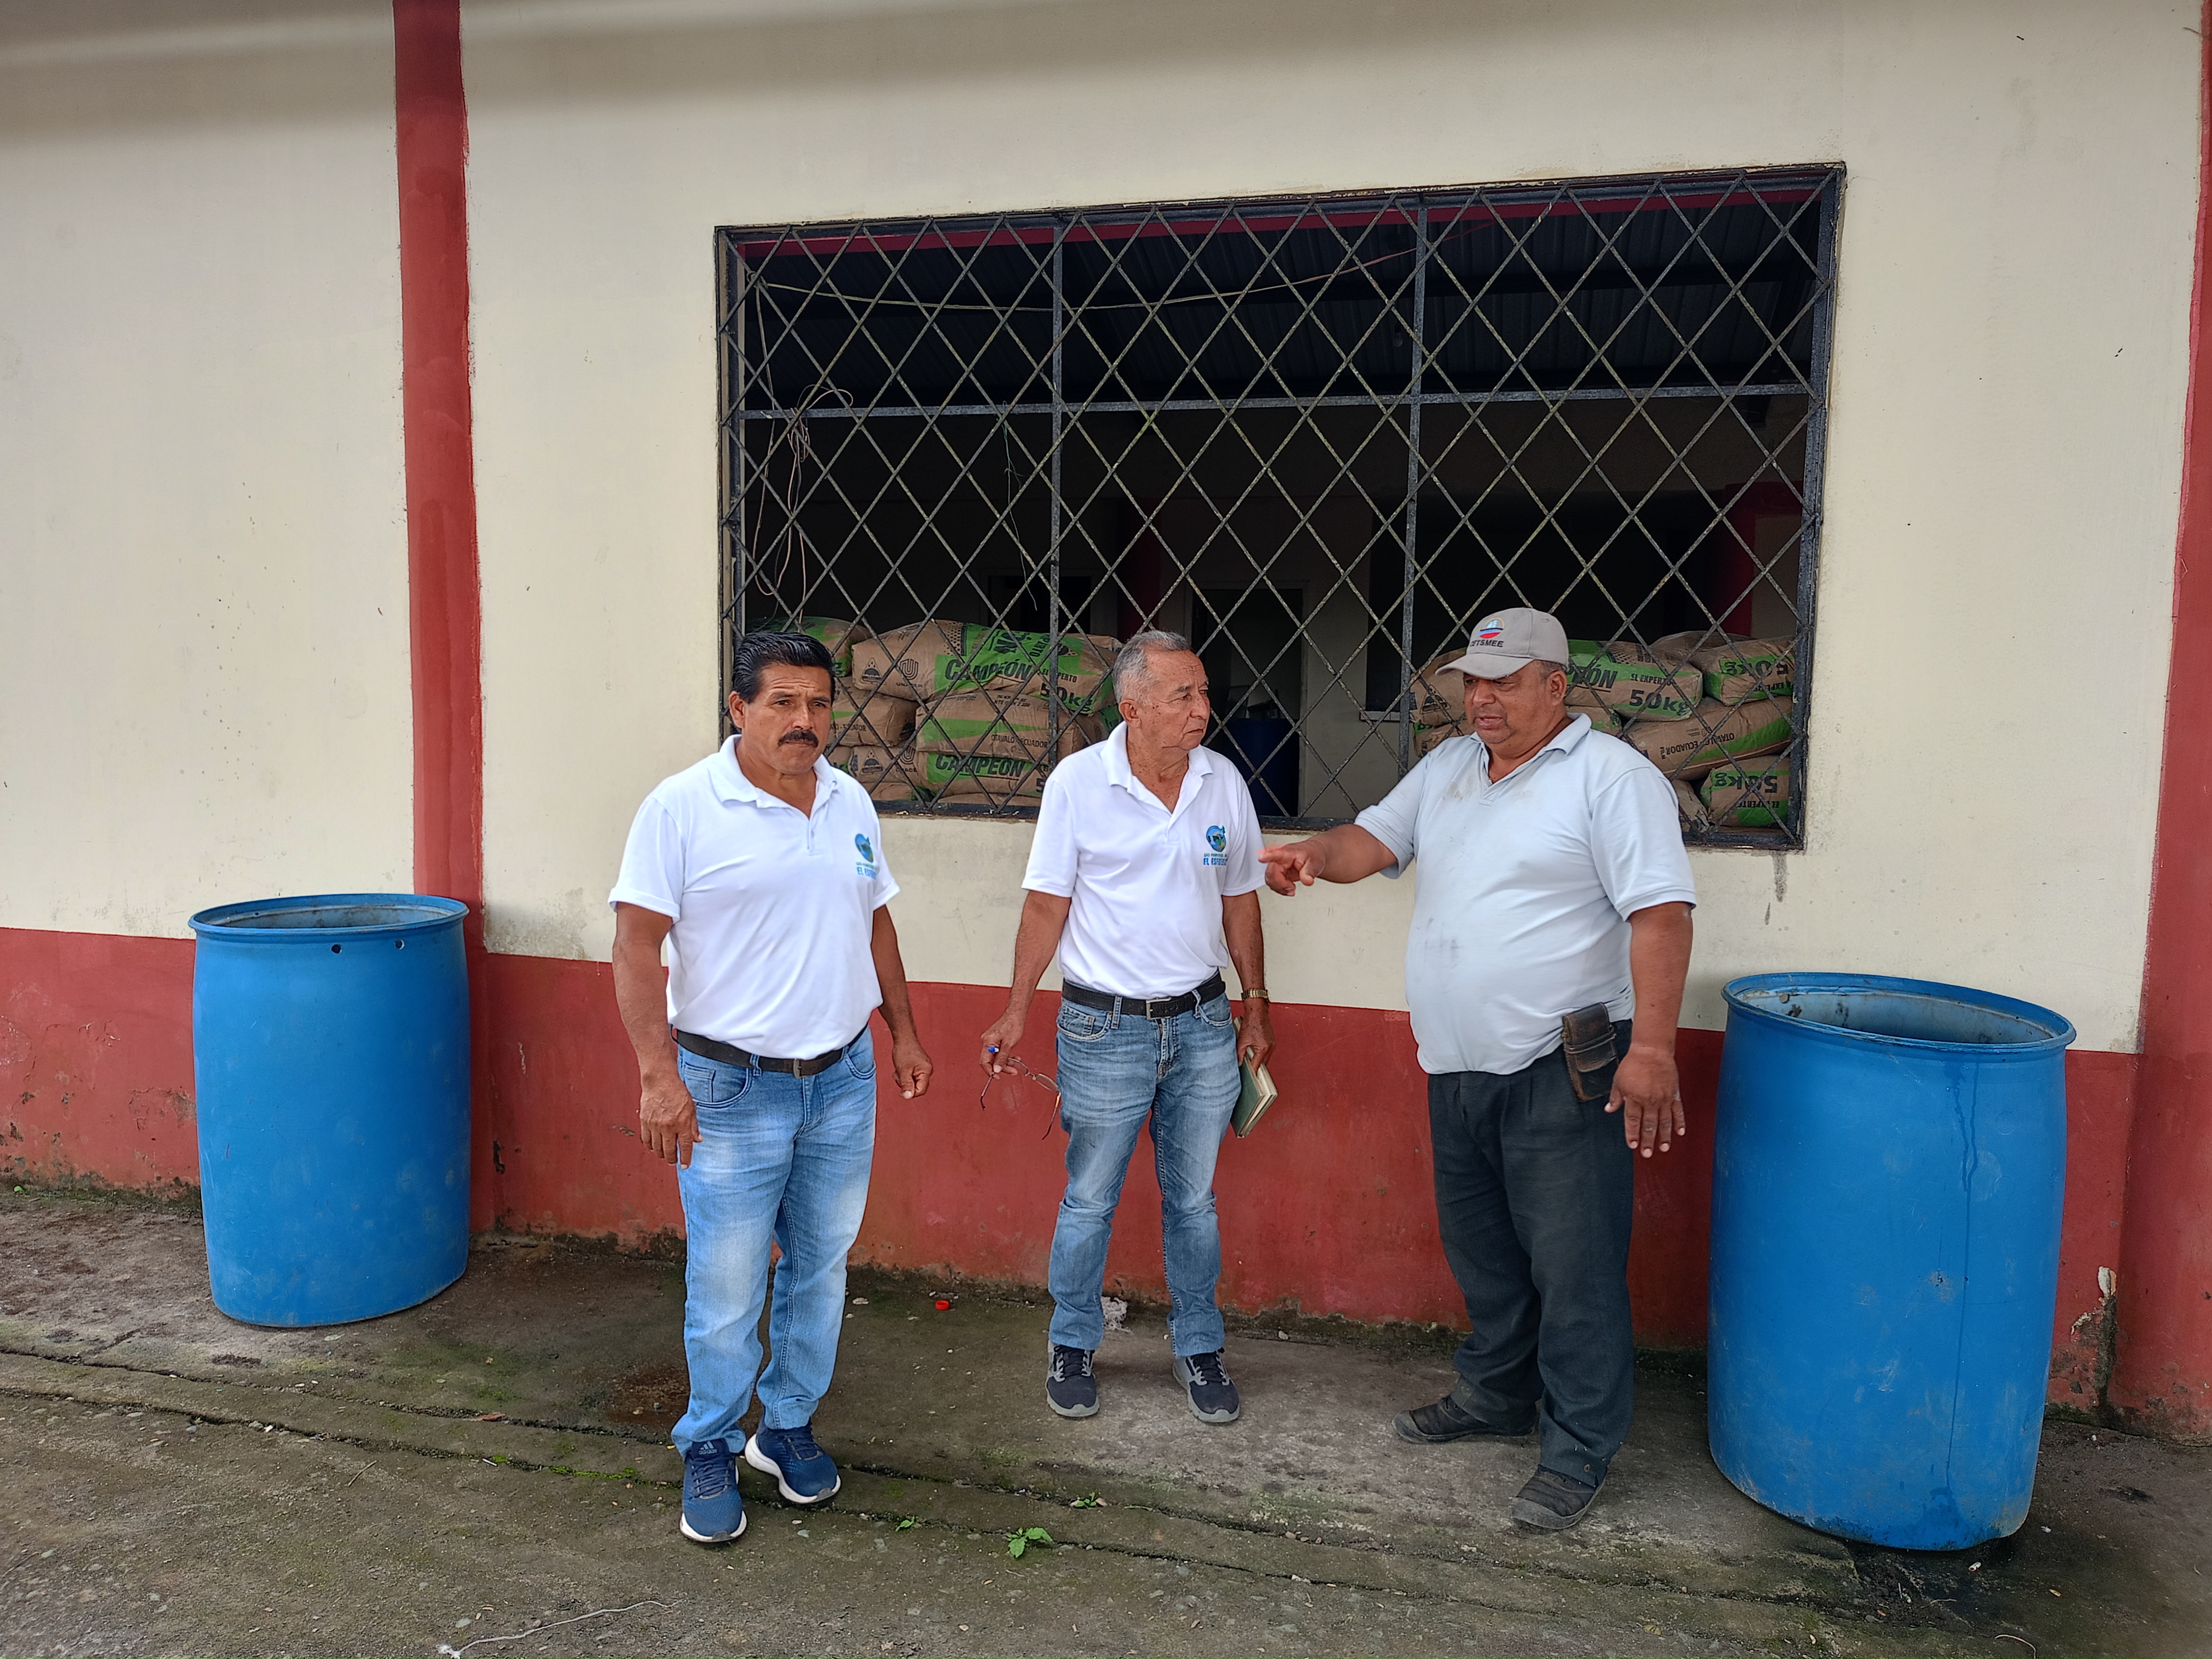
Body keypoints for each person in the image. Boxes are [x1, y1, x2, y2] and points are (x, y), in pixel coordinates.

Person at [1258, 608, 1694, 1532]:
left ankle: (1579, 1448)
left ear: (1556, 686)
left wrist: (1654, 1051)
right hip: (1456, 1063)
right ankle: (1497, 1395)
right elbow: (1372, 842)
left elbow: (1661, 915)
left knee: (1573, 1267)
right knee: (1485, 1253)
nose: (1482, 700)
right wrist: (1311, 855)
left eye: (1505, 682)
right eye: (1473, 683)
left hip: (1563, 1065)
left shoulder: (1613, 779)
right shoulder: (1450, 767)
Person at [609, 629, 934, 1547]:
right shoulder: (682, 808)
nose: (805, 721)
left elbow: (875, 927)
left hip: (843, 1081)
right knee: (727, 1286)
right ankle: (710, 1444)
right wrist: (658, 1077)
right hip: (730, 1087)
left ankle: (785, 1426)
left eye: (819, 703)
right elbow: (635, 946)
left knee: (821, 1269)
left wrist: (904, 1034)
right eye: (783, 702)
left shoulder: (849, 800)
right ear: (739, 708)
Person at [977, 630, 1274, 1425]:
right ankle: (1072, 1343)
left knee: (1195, 1203)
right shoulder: (1079, 784)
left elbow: (1241, 900)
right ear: (1132, 708)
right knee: (1089, 1200)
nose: (1202, 710)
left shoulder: (1221, 782)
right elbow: (1047, 904)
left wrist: (1255, 1005)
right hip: (1104, 1028)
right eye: (1184, 696)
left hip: (1203, 1025)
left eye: (1204, 694)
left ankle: (1199, 1346)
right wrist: (1017, 1006)